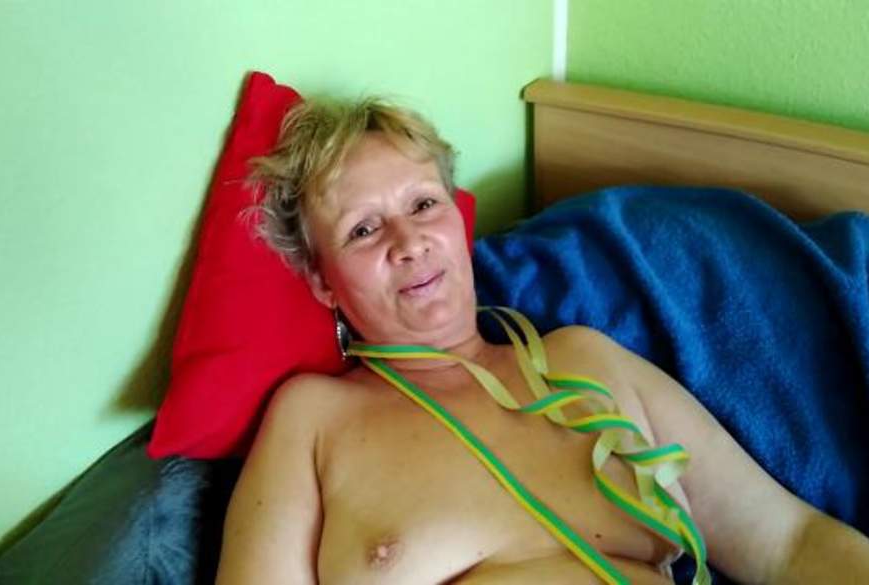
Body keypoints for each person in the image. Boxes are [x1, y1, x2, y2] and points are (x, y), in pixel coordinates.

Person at [214, 97, 869, 585]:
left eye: (423, 205)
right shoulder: (314, 420)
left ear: (457, 220)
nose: (409, 242)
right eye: (363, 229)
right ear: (322, 282)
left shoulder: (588, 361)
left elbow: (791, 543)